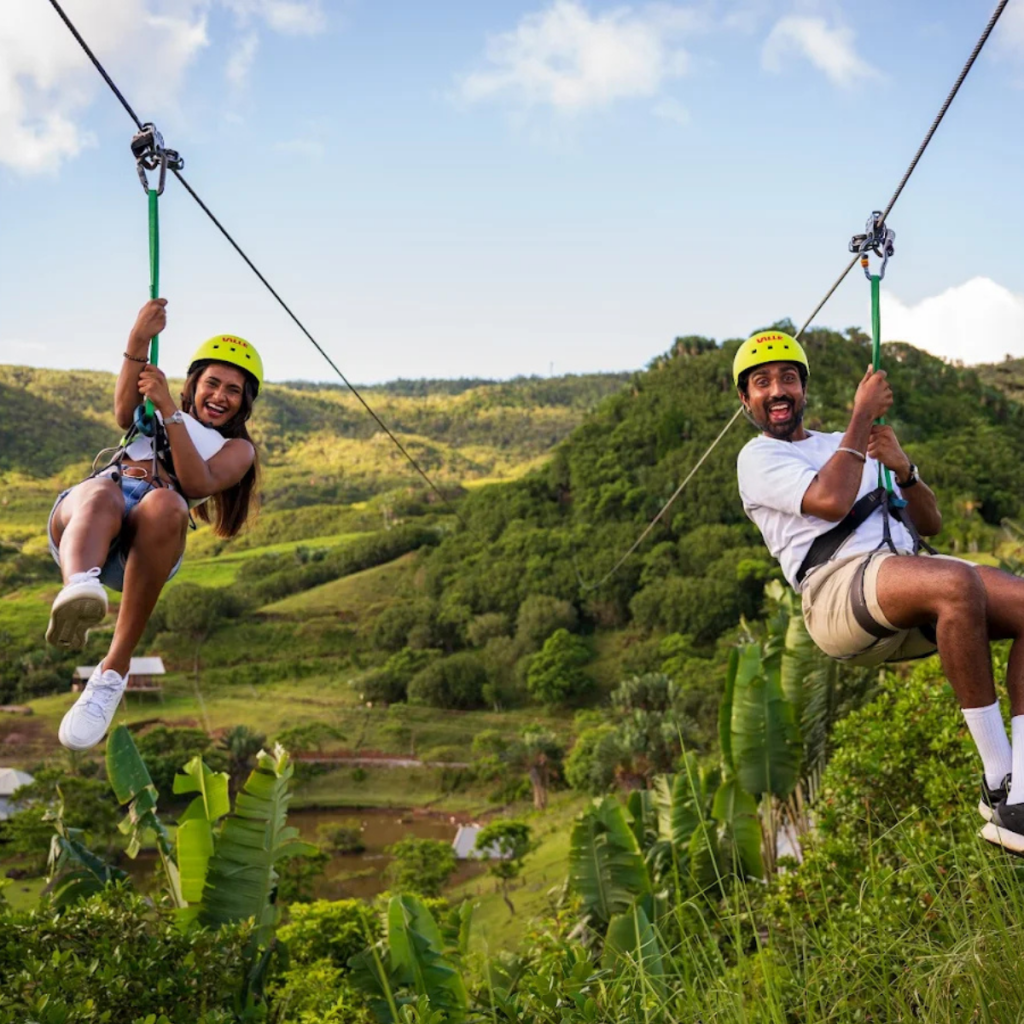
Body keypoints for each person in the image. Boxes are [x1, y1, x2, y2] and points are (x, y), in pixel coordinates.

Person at [734, 329, 1024, 853]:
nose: (777, 390)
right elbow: (830, 500)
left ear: (803, 390)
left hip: (904, 572)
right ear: (746, 399)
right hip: (836, 589)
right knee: (956, 583)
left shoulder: (850, 445)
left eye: (788, 379)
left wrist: (903, 468)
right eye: (762, 382)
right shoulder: (757, 458)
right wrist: (862, 417)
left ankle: (1021, 798)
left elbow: (929, 523)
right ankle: (999, 777)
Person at [46, 298, 263, 751]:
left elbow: (195, 480)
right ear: (194, 382)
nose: (220, 396)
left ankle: (111, 673)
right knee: (104, 489)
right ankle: (78, 589)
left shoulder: (237, 450)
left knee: (167, 502)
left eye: (234, 390)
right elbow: (125, 414)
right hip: (88, 528)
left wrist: (169, 410)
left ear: (245, 402)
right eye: (213, 383)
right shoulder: (153, 408)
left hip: (143, 551)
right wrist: (139, 338)